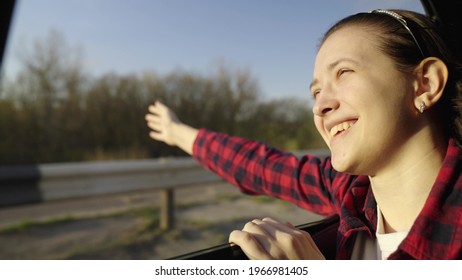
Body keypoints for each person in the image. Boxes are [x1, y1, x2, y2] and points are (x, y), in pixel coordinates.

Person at [145, 9, 462, 260]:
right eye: (315, 92)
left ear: (426, 83)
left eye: (343, 72)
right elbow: (261, 167)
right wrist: (177, 133)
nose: (321, 105)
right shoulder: (351, 190)